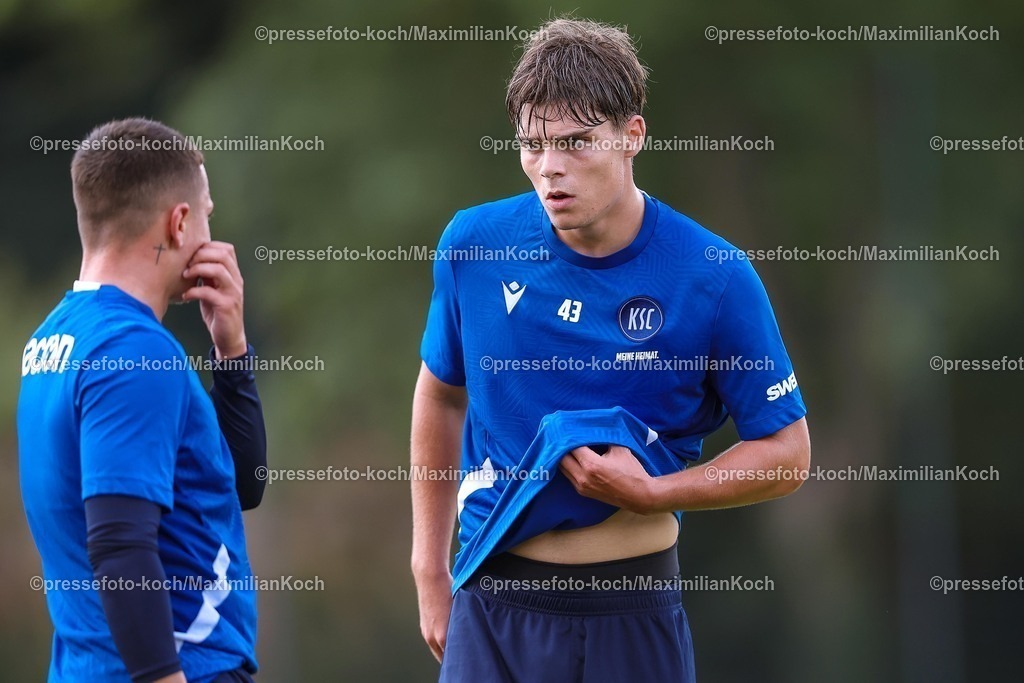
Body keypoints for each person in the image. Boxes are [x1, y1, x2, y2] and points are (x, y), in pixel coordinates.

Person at [411, 18, 811, 682]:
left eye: (575, 143)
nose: (550, 169)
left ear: (632, 136)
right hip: (490, 604)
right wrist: (429, 565)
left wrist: (656, 491)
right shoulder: (473, 244)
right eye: (533, 146)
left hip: (632, 612)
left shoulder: (714, 275)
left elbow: (788, 454)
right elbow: (441, 392)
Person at [18, 118, 266, 683]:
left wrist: (232, 353)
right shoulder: (133, 351)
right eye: (206, 213)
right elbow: (119, 540)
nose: (211, 234)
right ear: (179, 223)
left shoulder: (52, 341)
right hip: (183, 666)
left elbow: (241, 485)